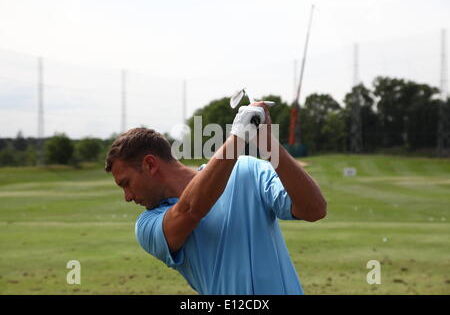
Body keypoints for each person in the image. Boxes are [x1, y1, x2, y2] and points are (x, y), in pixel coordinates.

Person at [105, 101, 327, 294]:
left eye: (126, 183)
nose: (127, 197)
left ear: (150, 165)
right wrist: (239, 135)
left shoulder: (247, 171)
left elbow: (314, 209)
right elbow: (191, 211)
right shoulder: (147, 226)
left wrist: (265, 140)